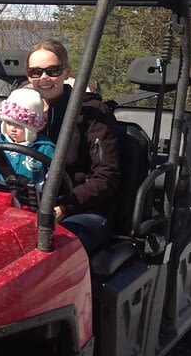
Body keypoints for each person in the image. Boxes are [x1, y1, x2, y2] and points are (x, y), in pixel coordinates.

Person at [26, 39, 122, 252]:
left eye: (52, 70)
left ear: (66, 71)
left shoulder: (91, 112)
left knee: (51, 250)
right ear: (28, 76)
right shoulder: (23, 112)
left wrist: (65, 206)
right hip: (33, 203)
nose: (44, 78)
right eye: (36, 72)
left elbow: (107, 176)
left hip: (82, 209)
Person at [0, 88, 56, 192]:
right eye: (9, 123)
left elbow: (54, 173)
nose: (12, 129)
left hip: (32, 196)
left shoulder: (44, 147)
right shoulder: (0, 145)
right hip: (2, 192)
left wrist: (50, 180)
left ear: (30, 129)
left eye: (19, 125)